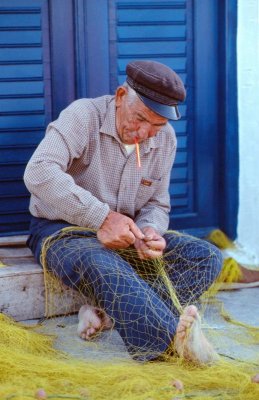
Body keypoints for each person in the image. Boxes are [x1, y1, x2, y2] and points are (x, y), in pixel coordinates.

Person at [24, 60, 222, 364]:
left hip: (127, 236)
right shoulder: (83, 115)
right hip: (62, 231)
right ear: (120, 96)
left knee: (206, 257)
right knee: (102, 262)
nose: (144, 133)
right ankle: (171, 344)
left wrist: (151, 230)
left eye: (157, 126)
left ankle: (106, 315)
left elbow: (157, 203)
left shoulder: (165, 139)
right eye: (140, 118)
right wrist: (102, 218)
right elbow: (38, 172)